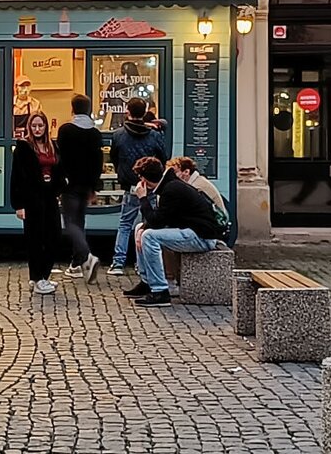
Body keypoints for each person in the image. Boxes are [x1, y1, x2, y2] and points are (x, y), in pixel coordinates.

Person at [125, 156, 223, 308]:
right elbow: (160, 217)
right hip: (193, 231)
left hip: (201, 237)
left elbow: (157, 221)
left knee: (150, 237)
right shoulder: (169, 185)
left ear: (144, 179)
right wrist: (141, 230)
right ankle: (147, 282)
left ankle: (160, 290)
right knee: (140, 228)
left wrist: (143, 198)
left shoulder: (171, 190)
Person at [106, 99, 169, 275]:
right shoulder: (154, 134)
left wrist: (123, 174)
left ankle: (118, 263)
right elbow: (164, 156)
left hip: (131, 186)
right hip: (150, 184)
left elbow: (114, 157)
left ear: (127, 111)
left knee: (125, 224)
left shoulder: (119, 134)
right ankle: (142, 262)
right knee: (148, 224)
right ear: (145, 111)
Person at [11, 111, 64, 296]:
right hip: (31, 199)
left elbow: (59, 169)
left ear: (46, 127)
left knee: (54, 236)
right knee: (35, 239)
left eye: (40, 125)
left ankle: (43, 276)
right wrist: (18, 205)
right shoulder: (24, 148)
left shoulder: (53, 146)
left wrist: (59, 188)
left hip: (49, 198)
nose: (37, 129)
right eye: (34, 126)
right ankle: (38, 277)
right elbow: (16, 177)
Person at [56, 94, 105, 281]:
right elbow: (98, 161)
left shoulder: (66, 130)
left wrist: (59, 181)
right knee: (80, 222)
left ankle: (87, 256)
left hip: (70, 184)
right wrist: (93, 186)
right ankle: (76, 264)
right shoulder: (95, 133)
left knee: (70, 223)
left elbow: (60, 158)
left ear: (72, 108)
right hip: (86, 185)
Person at [167, 156, 230, 237]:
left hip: (211, 228)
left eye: (175, 172)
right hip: (213, 225)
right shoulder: (198, 181)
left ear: (186, 172)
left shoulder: (196, 186)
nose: (173, 177)